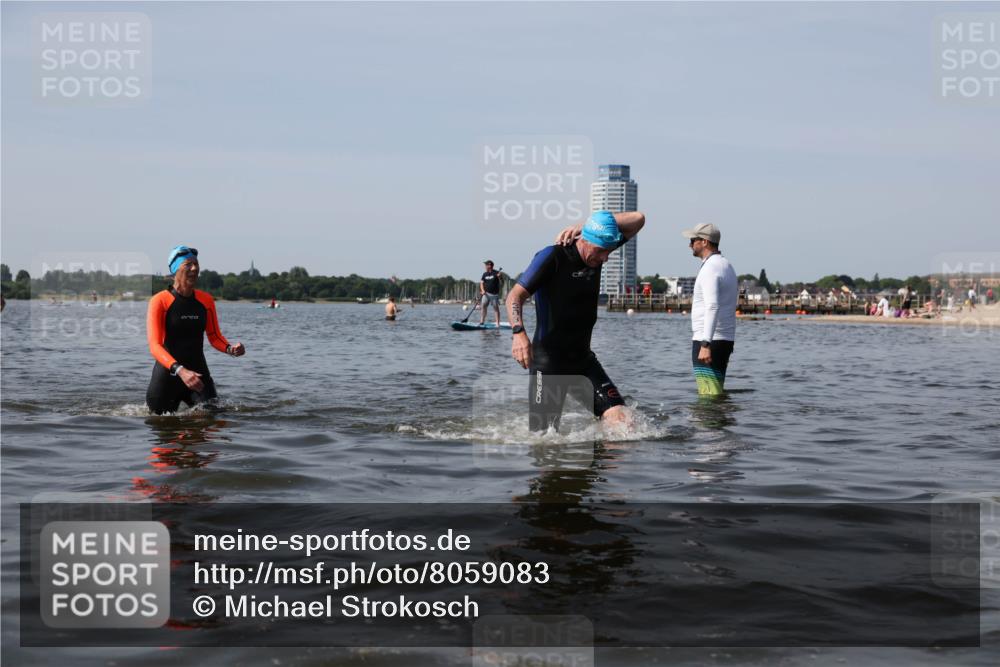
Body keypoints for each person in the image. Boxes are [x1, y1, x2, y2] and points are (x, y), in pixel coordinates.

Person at [506, 210, 645, 431]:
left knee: (624, 423)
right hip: (548, 363)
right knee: (545, 439)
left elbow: (638, 219)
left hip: (583, 361)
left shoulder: (597, 249)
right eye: (601, 251)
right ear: (586, 242)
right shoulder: (553, 257)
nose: (604, 258)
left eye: (608, 252)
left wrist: (583, 225)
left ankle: (598, 464)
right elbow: (515, 296)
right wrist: (518, 333)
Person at [146, 246, 246, 414]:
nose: (194, 269)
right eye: (188, 265)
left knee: (211, 418)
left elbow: (214, 336)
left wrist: (230, 349)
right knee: (162, 428)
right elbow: (155, 346)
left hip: (198, 375)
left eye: (196, 264)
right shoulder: (160, 301)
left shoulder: (205, 300)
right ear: (175, 270)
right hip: (168, 377)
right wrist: (181, 371)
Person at [683, 223, 738, 396]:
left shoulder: (710, 268)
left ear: (705, 242)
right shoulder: (726, 265)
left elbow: (712, 306)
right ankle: (721, 422)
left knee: (708, 395)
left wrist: (705, 344)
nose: (690, 245)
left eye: (693, 240)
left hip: (708, 340)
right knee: (716, 393)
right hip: (725, 339)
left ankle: (709, 423)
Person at [479, 260, 502, 326]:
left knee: (495, 308)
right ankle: (482, 321)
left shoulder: (497, 273)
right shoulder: (484, 274)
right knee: (483, 306)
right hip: (486, 294)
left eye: (486, 265)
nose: (485, 266)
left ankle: (497, 323)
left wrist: (499, 277)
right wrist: (482, 290)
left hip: (494, 294)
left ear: (490, 266)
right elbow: (481, 283)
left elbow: (502, 283)